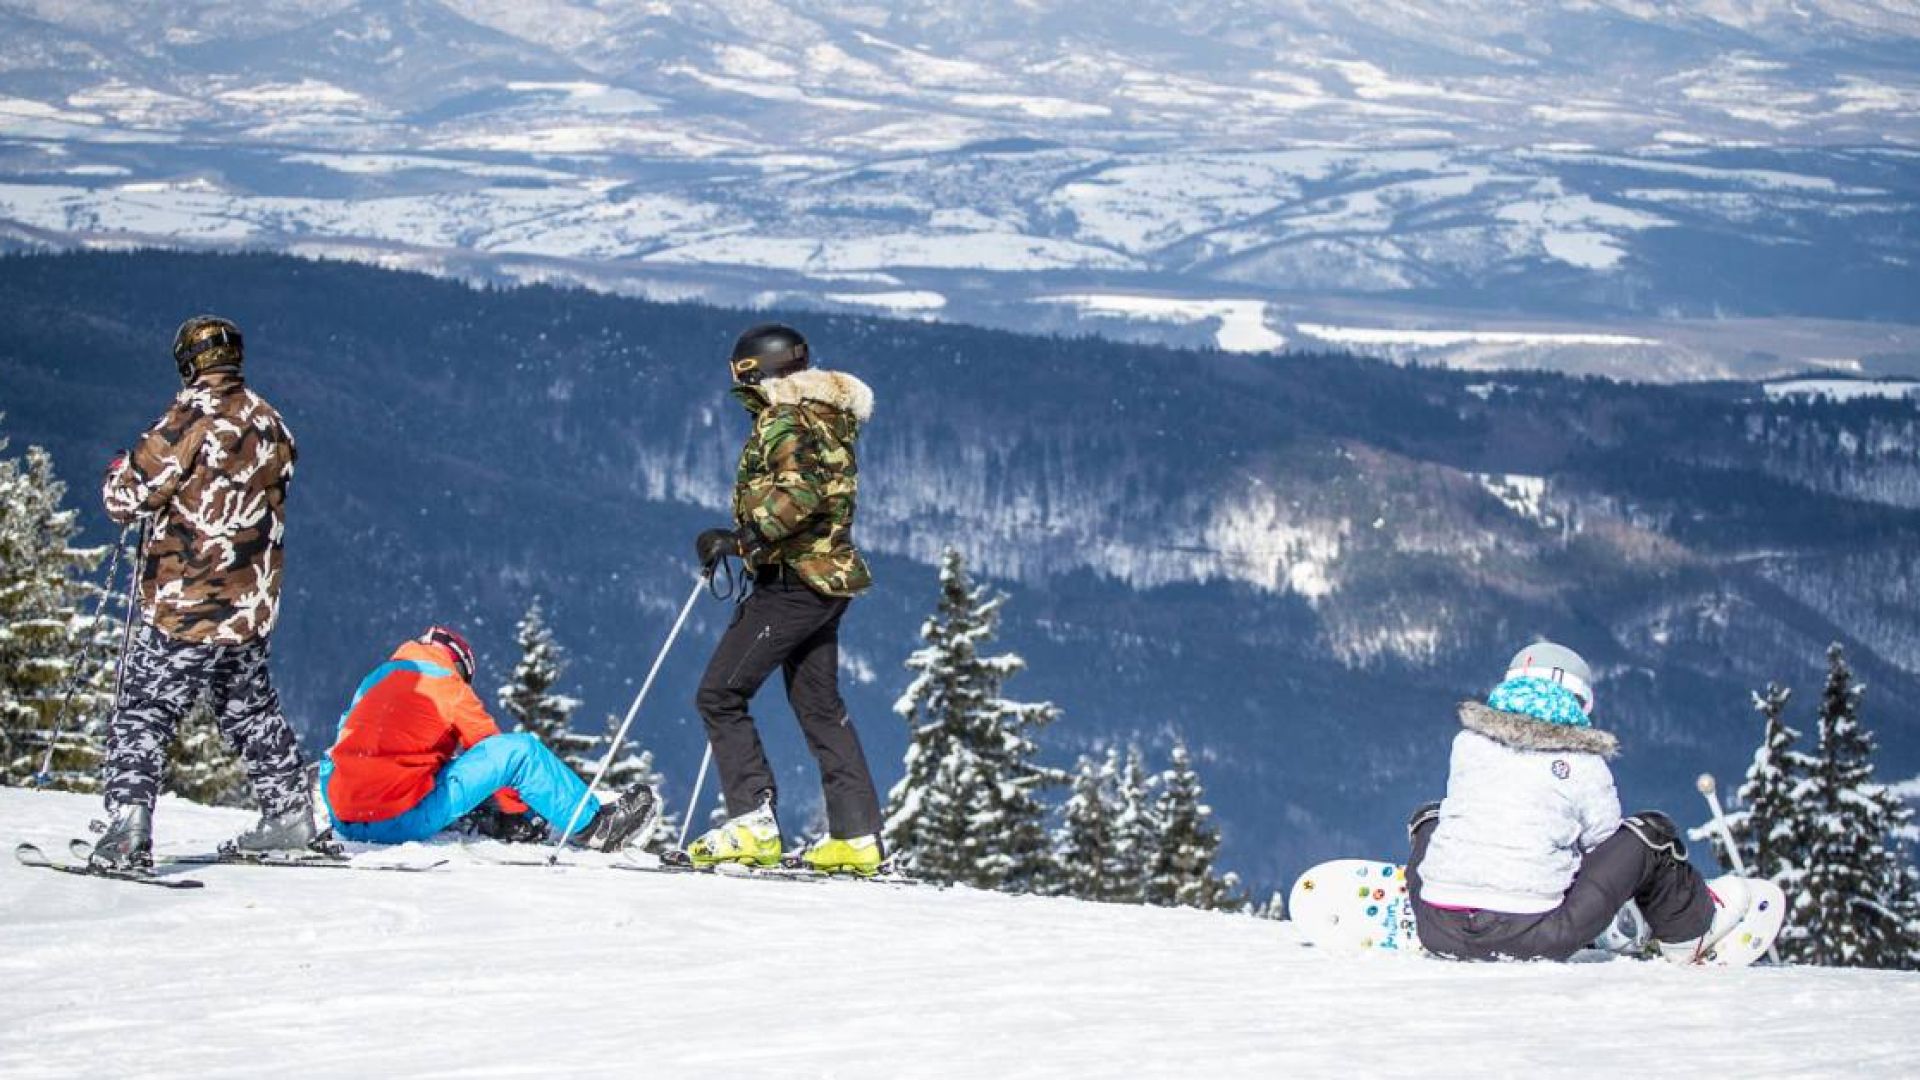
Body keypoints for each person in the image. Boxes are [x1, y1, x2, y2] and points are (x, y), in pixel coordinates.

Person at [90, 316, 315, 872]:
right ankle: (291, 817)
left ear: (188, 362)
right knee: (249, 706)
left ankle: (126, 832)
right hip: (251, 602)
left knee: (145, 710)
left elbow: (126, 499)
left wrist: (118, 470)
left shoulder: (186, 419)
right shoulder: (271, 420)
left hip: (185, 604)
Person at [685, 323, 884, 874]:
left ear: (760, 374)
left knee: (720, 695)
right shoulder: (826, 416)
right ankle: (855, 836)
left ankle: (752, 823)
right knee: (820, 706)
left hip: (794, 583)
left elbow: (801, 493)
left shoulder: (786, 417)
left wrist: (744, 539)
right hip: (827, 580)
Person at [1406, 641, 1739, 963]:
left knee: (1432, 817)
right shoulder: (1584, 764)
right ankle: (1689, 931)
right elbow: (1604, 843)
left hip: (1436, 928)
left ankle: (1427, 896)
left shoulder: (1466, 745)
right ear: (1580, 703)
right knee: (1649, 835)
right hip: (1535, 935)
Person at [321, 626, 658, 851]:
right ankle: (597, 826)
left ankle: (471, 814)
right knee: (520, 752)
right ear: (460, 665)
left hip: (344, 818)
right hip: (396, 821)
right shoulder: (449, 687)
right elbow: (492, 751)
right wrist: (516, 815)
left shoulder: (374, 680)